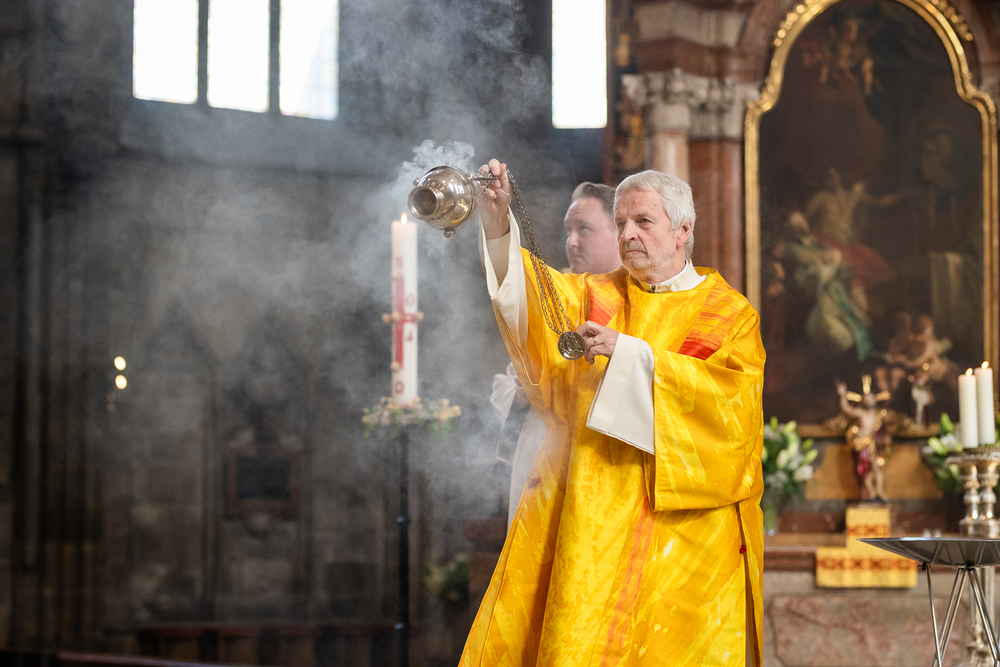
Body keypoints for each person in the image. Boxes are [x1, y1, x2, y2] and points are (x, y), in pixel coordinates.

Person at [465, 159, 765, 666]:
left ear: (683, 230)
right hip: (592, 522)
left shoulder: (728, 316)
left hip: (689, 541)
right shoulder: (592, 296)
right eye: (621, 222)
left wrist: (626, 354)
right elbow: (530, 302)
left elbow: (730, 419)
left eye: (643, 222)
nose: (627, 234)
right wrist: (497, 224)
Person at [491, 182, 621, 530]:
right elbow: (507, 382)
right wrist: (521, 394)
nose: (572, 241)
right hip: (543, 456)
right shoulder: (552, 296)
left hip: (608, 464)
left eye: (584, 229)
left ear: (619, 232)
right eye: (568, 230)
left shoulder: (645, 300)